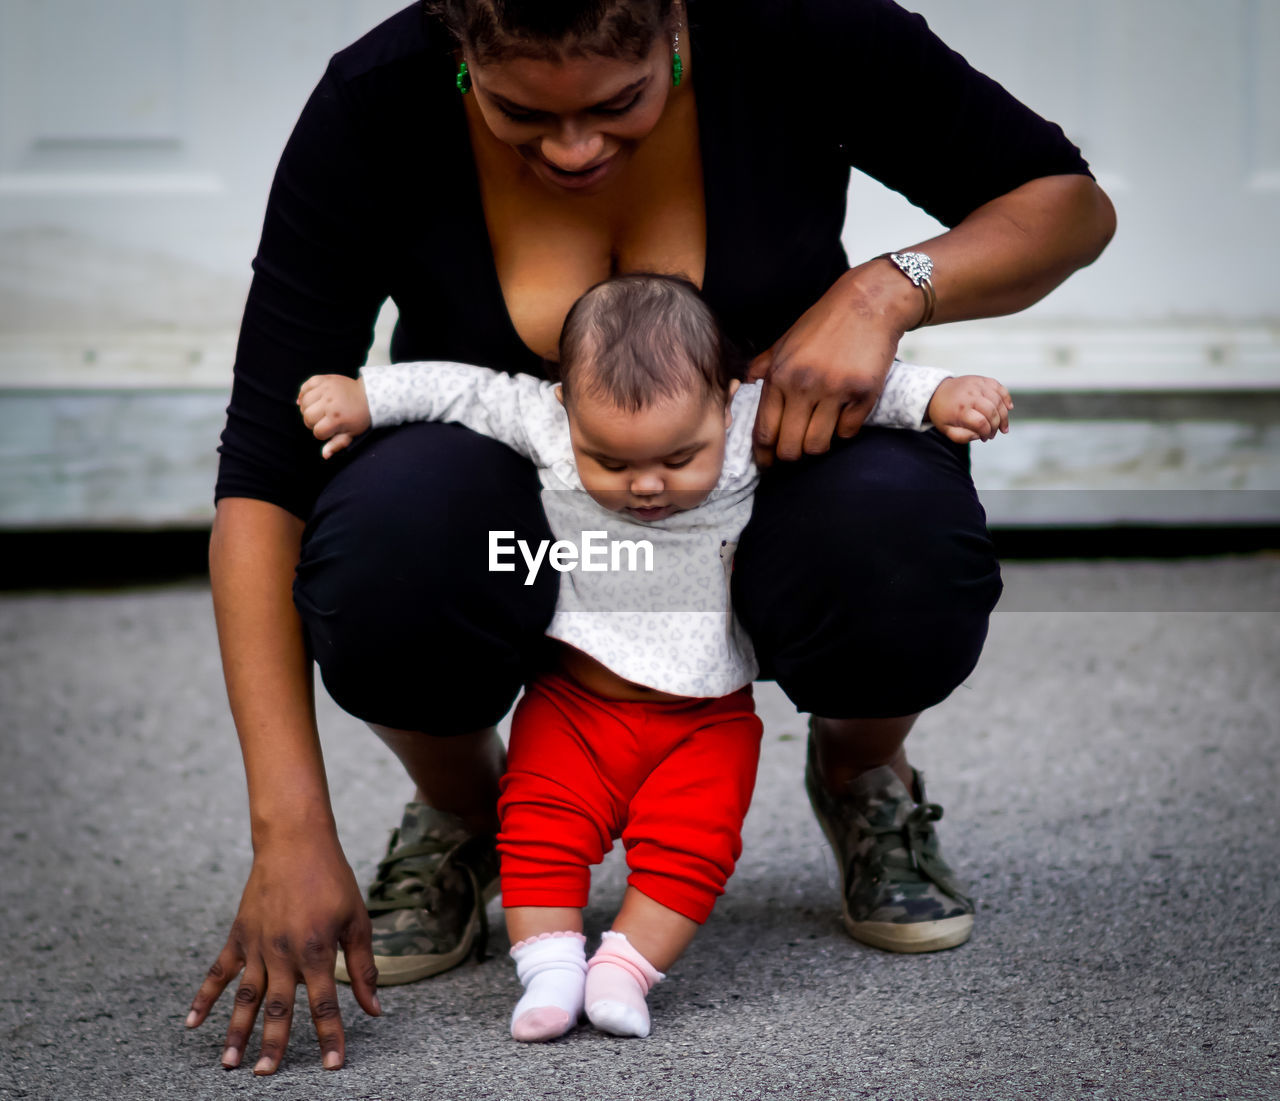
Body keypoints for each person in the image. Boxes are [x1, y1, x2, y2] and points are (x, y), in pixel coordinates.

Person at [188, 0, 1114, 1074]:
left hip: (763, 503)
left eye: (619, 102)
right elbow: (264, 472)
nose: (574, 147)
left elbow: (1066, 206)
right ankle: (463, 814)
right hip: (512, 533)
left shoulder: (800, 29)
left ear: (679, 20)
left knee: (895, 539)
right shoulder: (375, 101)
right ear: (459, 51)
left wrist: (885, 290)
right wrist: (289, 832)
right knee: (386, 542)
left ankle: (862, 776)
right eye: (517, 113)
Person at [297, 273, 1014, 1041]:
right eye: (610, 461)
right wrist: (365, 397)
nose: (646, 486)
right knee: (538, 830)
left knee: (690, 848)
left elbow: (869, 392)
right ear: (566, 408)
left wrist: (942, 395)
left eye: (679, 458)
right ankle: (549, 971)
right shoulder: (544, 424)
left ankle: (626, 970)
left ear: (726, 400)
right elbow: (461, 390)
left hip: (706, 717)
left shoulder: (745, 425)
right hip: (572, 704)